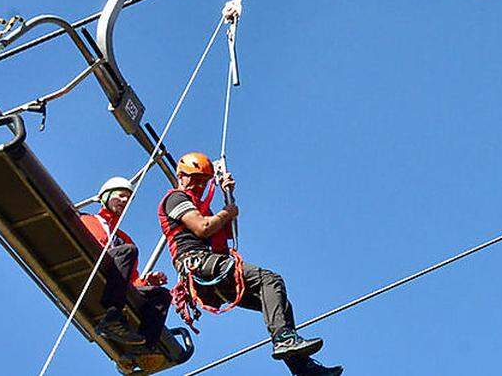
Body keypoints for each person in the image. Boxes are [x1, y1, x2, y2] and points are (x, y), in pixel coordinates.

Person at [158, 152, 342, 376]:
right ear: (181, 176)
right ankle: (284, 339)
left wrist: (229, 197)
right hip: (199, 264)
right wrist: (227, 211)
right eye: (194, 179)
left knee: (279, 304)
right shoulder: (176, 199)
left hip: (209, 272)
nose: (198, 185)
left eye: (203, 182)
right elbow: (203, 227)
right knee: (270, 280)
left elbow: (220, 232)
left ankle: (303, 368)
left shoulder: (199, 207)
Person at [82, 176, 173, 348]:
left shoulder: (124, 239)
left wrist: (145, 282)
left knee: (161, 294)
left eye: (128, 198)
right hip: (93, 267)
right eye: (121, 195)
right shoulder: (88, 220)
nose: (125, 200)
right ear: (105, 197)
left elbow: (130, 280)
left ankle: (145, 348)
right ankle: (113, 315)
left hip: (114, 279)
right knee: (128, 250)